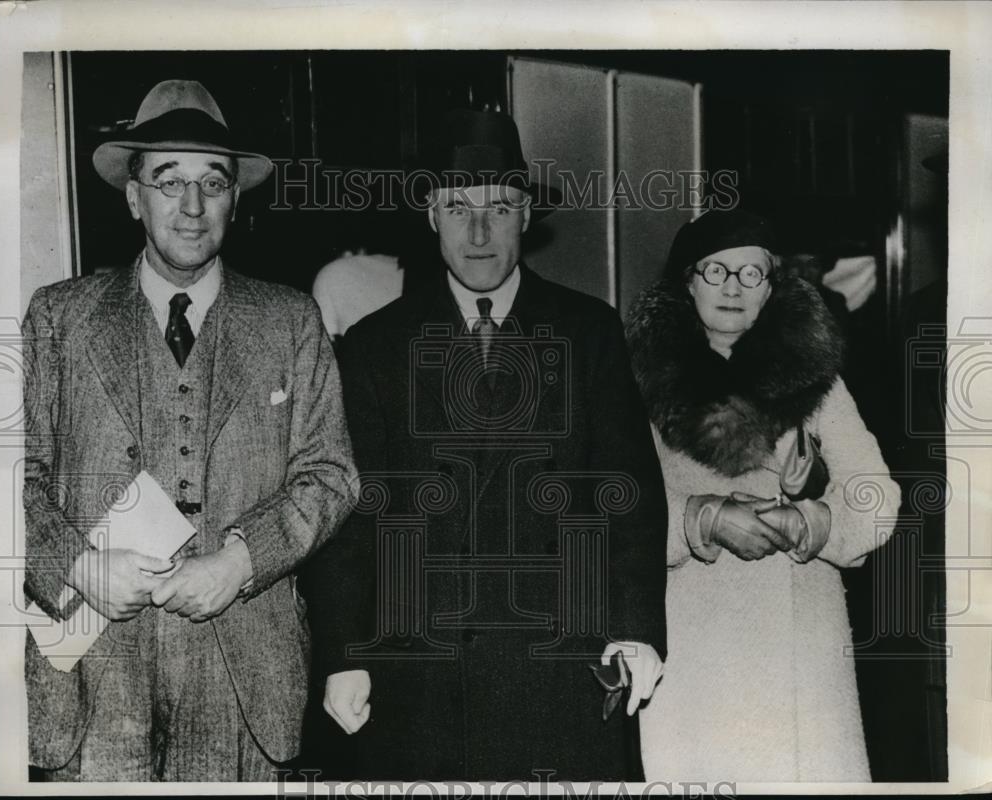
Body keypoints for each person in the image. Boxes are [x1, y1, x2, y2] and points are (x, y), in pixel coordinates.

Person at [308, 109, 667, 780]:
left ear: (527, 216)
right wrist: (344, 654)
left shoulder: (589, 332)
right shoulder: (375, 346)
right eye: (458, 206)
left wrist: (635, 629)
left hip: (565, 671)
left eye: (498, 207)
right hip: (419, 680)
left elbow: (631, 497)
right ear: (430, 214)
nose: (478, 231)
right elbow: (348, 517)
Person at [22, 79, 357, 781]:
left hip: (244, 679)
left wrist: (239, 563)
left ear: (237, 198)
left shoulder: (290, 322)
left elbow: (330, 476)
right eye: (169, 180)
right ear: (133, 195)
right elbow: (5, 480)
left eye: (214, 181)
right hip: (94, 676)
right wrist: (79, 567)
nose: (193, 205)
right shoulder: (59, 319)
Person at [625, 209, 901, 782]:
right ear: (687, 282)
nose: (732, 287)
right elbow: (616, 509)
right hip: (691, 645)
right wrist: (700, 520)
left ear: (772, 288)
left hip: (802, 645)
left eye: (751, 274)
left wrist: (811, 524)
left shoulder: (815, 378)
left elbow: (877, 497)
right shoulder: (637, 382)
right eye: (715, 271)